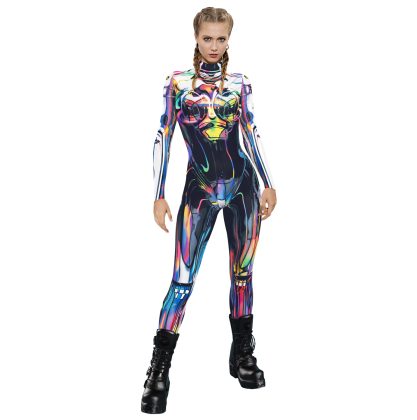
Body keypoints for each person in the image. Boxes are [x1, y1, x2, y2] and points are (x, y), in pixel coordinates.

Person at [141, 7, 277, 414]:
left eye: (221, 39)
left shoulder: (239, 84)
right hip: (198, 190)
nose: (214, 46)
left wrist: (268, 181)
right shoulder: (178, 84)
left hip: (242, 189)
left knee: (242, 275)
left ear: (228, 40)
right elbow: (164, 133)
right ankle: (158, 369)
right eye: (207, 38)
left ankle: (243, 354)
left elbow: (250, 131)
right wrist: (158, 193)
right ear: (196, 38)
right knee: (182, 280)